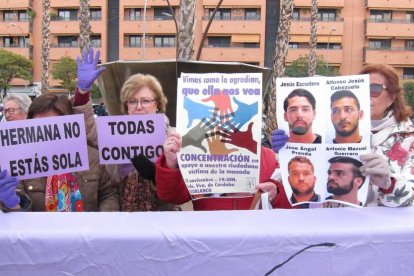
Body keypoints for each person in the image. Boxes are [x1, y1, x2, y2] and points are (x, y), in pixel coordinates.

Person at [74, 48, 179, 211]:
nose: (138, 107)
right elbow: (89, 131)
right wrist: (82, 92)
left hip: (161, 217)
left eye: (145, 101)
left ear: (157, 104)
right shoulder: (114, 133)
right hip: (120, 215)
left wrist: (158, 174)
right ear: (126, 106)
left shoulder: (173, 137)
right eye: (132, 101)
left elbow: (181, 187)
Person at [0, 94, 120, 212]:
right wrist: (13, 202)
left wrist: (100, 224)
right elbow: (19, 207)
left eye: (53, 125)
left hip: (87, 230)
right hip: (39, 230)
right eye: (39, 126)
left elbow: (108, 193)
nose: (46, 133)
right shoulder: (22, 162)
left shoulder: (91, 157)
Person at [155, 129, 292, 211]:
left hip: (254, 244)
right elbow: (171, 196)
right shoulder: (197, 156)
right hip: (208, 242)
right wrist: (171, 162)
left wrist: (276, 194)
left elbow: (292, 205)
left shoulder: (269, 158)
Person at [358, 64, 414, 207]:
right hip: (337, 223)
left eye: (374, 90)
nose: (365, 95)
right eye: (360, 88)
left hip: (386, 227)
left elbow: (411, 198)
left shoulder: (409, 138)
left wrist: (389, 183)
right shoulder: (332, 131)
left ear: (393, 95)